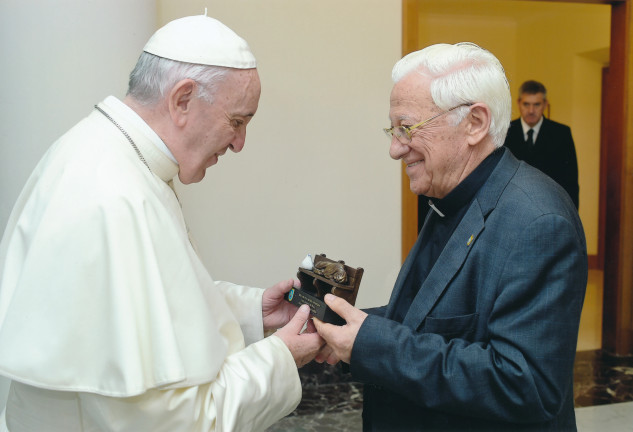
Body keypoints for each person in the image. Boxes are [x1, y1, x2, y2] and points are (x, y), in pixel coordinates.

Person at [0, 14, 323, 432]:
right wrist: (281, 357)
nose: (239, 143)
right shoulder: (114, 197)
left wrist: (250, 314)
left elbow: (153, 308)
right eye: (237, 121)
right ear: (182, 99)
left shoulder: (100, 153)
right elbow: (173, 422)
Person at [314, 43, 588, 431]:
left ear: (474, 123)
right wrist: (340, 325)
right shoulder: (449, 194)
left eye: (407, 128)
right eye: (393, 130)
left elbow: (525, 385)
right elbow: (431, 319)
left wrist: (372, 344)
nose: (395, 149)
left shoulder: (539, 222)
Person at [503, 80, 580, 209]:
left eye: (536, 104)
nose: (531, 110)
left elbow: (570, 182)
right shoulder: (505, 132)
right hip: (513, 207)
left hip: (551, 207)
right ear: (518, 103)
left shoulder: (561, 134)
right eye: (526, 104)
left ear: (545, 104)